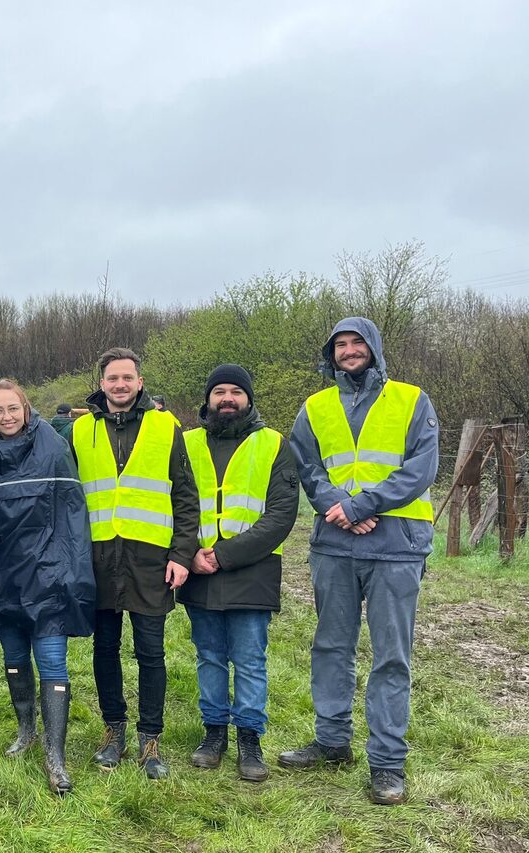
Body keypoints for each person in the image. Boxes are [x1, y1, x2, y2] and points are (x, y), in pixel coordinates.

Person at [280, 318, 437, 806]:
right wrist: (339, 507)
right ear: (331, 354)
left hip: (396, 545)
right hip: (335, 544)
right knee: (331, 646)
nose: (349, 351)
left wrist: (361, 505)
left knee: (391, 655)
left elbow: (421, 468)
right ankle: (332, 742)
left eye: (357, 342)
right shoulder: (315, 407)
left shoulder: (412, 400)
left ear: (374, 348)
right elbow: (305, 466)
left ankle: (387, 763)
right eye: (340, 345)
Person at [71, 347, 197, 779]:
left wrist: (182, 554)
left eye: (128, 377)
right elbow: (69, 497)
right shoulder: (80, 430)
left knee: (150, 652)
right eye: (113, 378)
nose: (120, 384)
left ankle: (150, 738)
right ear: (101, 383)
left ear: (139, 382)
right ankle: (114, 730)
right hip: (98, 557)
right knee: (104, 649)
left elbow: (185, 495)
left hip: (150, 558)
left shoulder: (166, 426)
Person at [0, 379, 95, 794]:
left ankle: (55, 755)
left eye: (12, 408)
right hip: (3, 575)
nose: (6, 417)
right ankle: (26, 730)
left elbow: (72, 513)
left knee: (52, 661)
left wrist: (69, 569)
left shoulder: (53, 447)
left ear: (26, 408)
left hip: (49, 574)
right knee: (14, 656)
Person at [177, 365, 298, 782]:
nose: (227, 398)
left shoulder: (274, 444)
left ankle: (249, 738)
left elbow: (281, 514)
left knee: (249, 659)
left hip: (253, 568)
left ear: (248, 398)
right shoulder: (186, 442)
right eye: (219, 392)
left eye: (235, 392)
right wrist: (190, 554)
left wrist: (224, 555)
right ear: (208, 399)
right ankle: (213, 733)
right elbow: (172, 503)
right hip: (198, 568)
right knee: (209, 656)